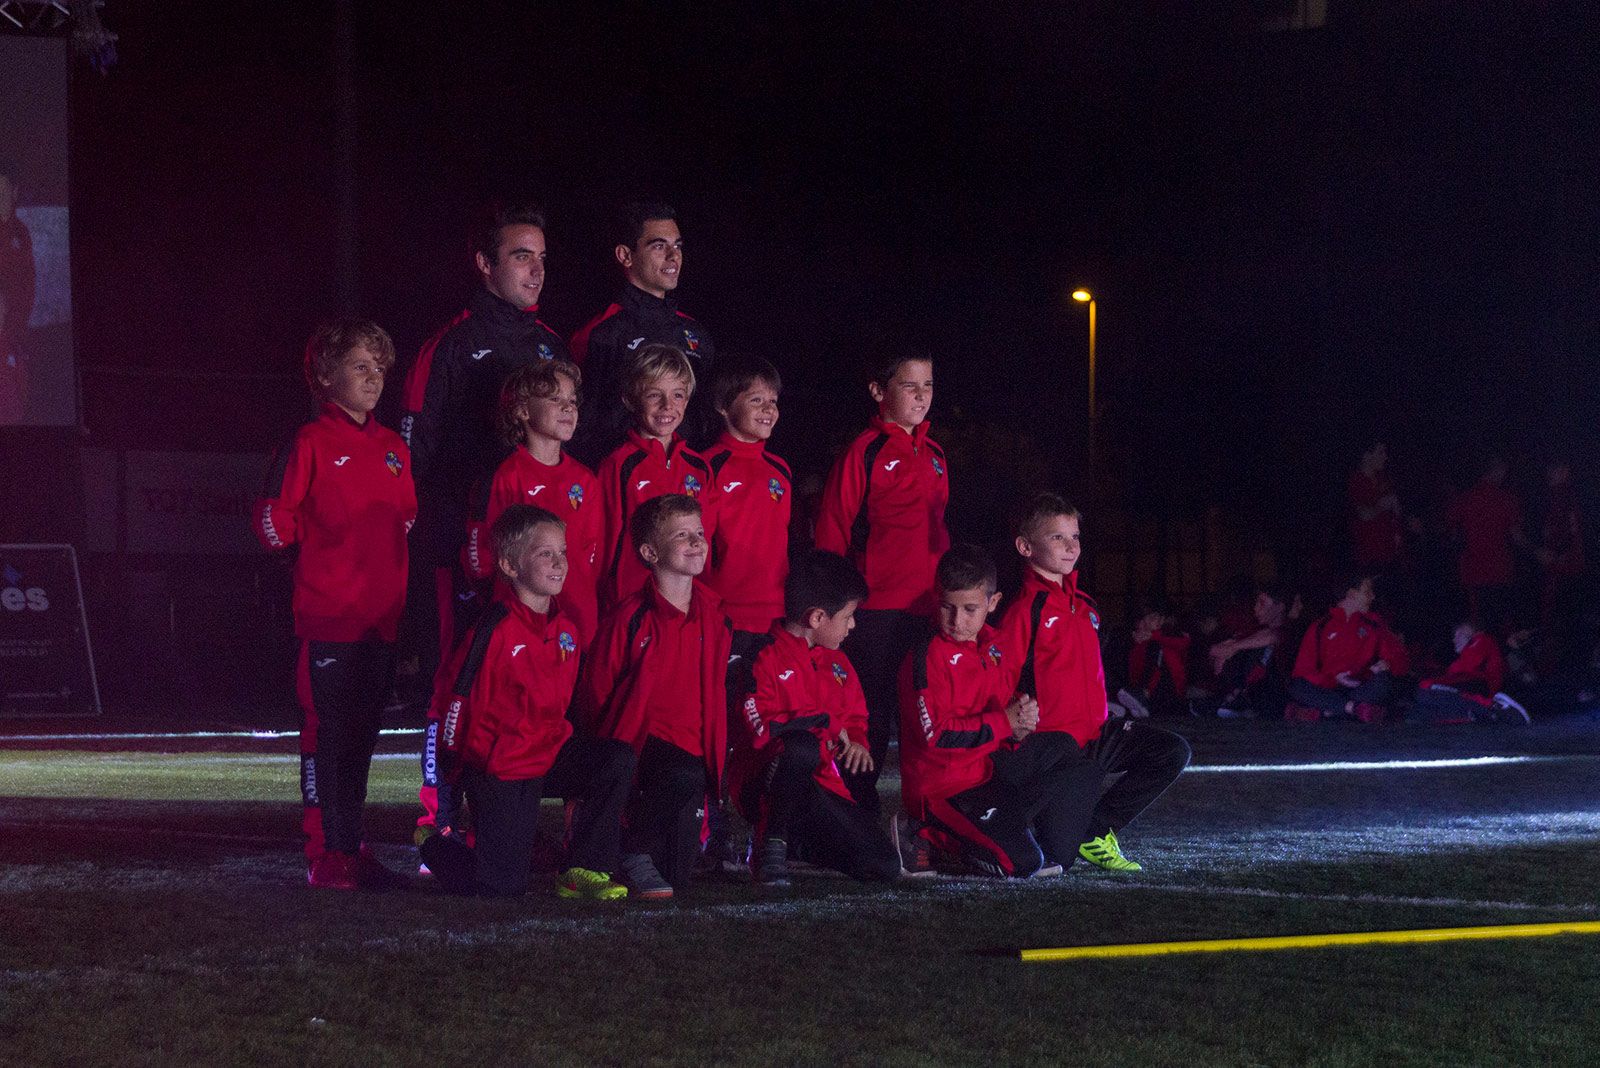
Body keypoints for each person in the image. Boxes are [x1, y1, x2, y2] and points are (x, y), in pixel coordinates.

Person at [253, 320, 416, 889]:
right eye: (359, 367)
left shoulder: (394, 448)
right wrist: (315, 568)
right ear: (325, 376)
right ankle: (325, 854)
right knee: (328, 739)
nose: (374, 379)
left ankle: (352, 845)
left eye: (380, 368)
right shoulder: (310, 442)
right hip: (329, 621)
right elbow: (272, 521)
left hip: (380, 623)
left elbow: (405, 520)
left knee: (362, 741)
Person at [417, 359, 603, 846]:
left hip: (576, 636)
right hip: (519, 637)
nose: (568, 408)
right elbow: (482, 557)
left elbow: (594, 560)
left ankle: (576, 845)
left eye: (572, 401)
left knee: (575, 733)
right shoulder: (504, 475)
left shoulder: (587, 480)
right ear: (522, 411)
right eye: (555, 399)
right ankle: (452, 824)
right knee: (500, 732)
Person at [397, 203, 571, 698]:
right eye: (521, 256)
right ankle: (442, 752)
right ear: (484, 263)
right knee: (455, 674)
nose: (537, 270)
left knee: (527, 681)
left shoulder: (551, 347)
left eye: (541, 258)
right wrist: (433, 533)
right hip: (459, 543)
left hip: (535, 550)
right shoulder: (451, 345)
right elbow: (411, 453)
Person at [420, 505, 636, 898]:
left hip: (547, 755)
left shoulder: (567, 630)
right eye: (544, 553)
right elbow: (455, 704)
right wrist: (456, 776)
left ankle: (583, 870)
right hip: (503, 768)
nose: (559, 563)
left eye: (562, 552)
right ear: (509, 565)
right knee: (501, 888)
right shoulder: (493, 629)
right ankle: (435, 847)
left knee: (615, 759)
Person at [995, 493, 1191, 873]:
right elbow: (1000, 679)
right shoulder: (1024, 610)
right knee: (1056, 859)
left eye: (1075, 536)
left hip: (1097, 735)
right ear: (1025, 546)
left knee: (1171, 752)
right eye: (1057, 537)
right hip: (1057, 749)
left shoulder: (1085, 605)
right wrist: (1013, 727)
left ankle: (1096, 830)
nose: (1071, 546)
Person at [898, 545, 1107, 878]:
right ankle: (924, 832)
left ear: (993, 603)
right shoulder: (928, 655)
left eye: (969, 609)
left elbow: (1006, 706)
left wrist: (1021, 722)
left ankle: (1009, 832)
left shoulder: (995, 646)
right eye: (947, 607)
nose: (956, 621)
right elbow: (936, 735)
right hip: (944, 790)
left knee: (1074, 759)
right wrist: (1004, 722)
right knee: (1020, 864)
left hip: (987, 772)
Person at [578, 494, 731, 899]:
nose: (696, 542)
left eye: (699, 532)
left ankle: (632, 848)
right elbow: (597, 694)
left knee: (677, 878)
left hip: (692, 759)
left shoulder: (715, 616)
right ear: (650, 552)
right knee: (681, 775)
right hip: (644, 751)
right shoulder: (629, 618)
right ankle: (628, 847)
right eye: (681, 535)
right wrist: (615, 765)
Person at [815, 349, 948, 813]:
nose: (921, 396)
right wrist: (834, 603)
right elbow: (833, 528)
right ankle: (857, 813)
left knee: (922, 715)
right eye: (909, 386)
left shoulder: (936, 455)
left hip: (928, 610)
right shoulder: (864, 451)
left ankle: (926, 814)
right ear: (878, 391)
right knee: (871, 714)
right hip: (876, 611)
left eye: (927, 385)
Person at [726, 550, 901, 886]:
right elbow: (761, 729)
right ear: (818, 617)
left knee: (883, 865)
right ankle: (768, 845)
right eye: (848, 616)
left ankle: (793, 845)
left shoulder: (838, 662)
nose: (853, 625)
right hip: (763, 785)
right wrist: (824, 722)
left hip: (820, 788)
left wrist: (858, 742)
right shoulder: (762, 656)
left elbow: (855, 718)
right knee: (801, 746)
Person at [570, 201, 717, 457]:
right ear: (625, 255)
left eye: (677, 246)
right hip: (623, 472)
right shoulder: (601, 334)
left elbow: (707, 420)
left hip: (684, 474)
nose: (673, 256)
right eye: (659, 246)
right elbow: (581, 427)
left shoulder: (695, 334)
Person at [593, 343, 717, 612]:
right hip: (632, 604)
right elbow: (603, 543)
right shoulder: (619, 464)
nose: (667, 405)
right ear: (630, 399)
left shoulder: (699, 467)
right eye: (654, 395)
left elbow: (705, 541)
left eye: (677, 395)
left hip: (686, 604)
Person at [1286, 573, 1409, 722]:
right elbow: (1303, 670)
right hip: (1328, 688)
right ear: (1351, 594)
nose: (1373, 597)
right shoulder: (1320, 626)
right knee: (1297, 685)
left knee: (1384, 682)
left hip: (1360, 687)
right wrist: (1334, 680)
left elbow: (1400, 658)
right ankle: (1353, 709)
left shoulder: (1374, 624)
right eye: (1367, 592)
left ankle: (1326, 712)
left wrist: (1388, 664)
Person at [1446, 455, 1526, 633]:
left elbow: (1450, 529)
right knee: (1501, 624)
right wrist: (1536, 551)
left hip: (1473, 571)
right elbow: (1516, 535)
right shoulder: (1506, 499)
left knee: (1480, 625)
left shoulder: (1466, 498)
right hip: (1500, 570)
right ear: (1497, 470)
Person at [1203, 581, 1295, 719]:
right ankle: (1234, 697)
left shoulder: (1290, 629)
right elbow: (1217, 649)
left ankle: (1243, 698)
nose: (1256, 608)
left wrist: (1233, 647)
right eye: (1256, 603)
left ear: (1280, 607)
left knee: (1262, 650)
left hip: (1278, 692)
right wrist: (1226, 651)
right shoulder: (1255, 628)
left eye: (1262, 604)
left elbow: (1273, 636)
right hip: (1254, 690)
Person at [1414, 619, 1529, 725]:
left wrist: (1440, 677)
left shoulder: (1481, 640)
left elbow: (1465, 668)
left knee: (1426, 687)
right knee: (1427, 704)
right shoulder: (1476, 646)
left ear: (1468, 632)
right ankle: (1483, 714)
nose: (1454, 640)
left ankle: (1497, 707)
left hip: (1481, 684)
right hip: (1475, 685)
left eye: (1458, 635)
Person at [0, 160, 34, 423]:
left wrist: (15, 325)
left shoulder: (21, 233)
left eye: (4, 189)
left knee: (15, 398)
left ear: (14, 191)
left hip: (14, 332)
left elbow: (28, 286)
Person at [1117, 598, 1190, 719]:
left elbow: (1183, 643)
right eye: (1151, 618)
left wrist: (1153, 636)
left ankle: (1144, 701)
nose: (1157, 621)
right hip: (1149, 688)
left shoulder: (1168, 634)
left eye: (1157, 617)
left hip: (1170, 690)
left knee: (1155, 649)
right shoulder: (1137, 640)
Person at [1348, 441, 1404, 570]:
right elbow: (1364, 514)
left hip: (1392, 555)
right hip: (1370, 559)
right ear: (1367, 455)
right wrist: (1385, 504)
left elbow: (1394, 512)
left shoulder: (1383, 479)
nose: (1385, 457)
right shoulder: (1356, 481)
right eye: (1380, 452)